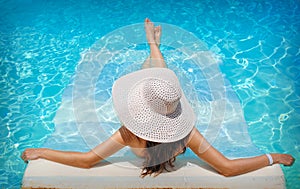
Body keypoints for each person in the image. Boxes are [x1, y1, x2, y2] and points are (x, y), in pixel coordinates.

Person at [21, 18, 295, 177]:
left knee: (156, 77)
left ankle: (154, 47)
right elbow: (227, 167)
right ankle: (154, 46)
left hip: (156, 107)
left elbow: (87, 160)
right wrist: (272, 157)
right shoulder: (186, 134)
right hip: (167, 108)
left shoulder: (130, 134)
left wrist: (42, 151)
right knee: (160, 79)